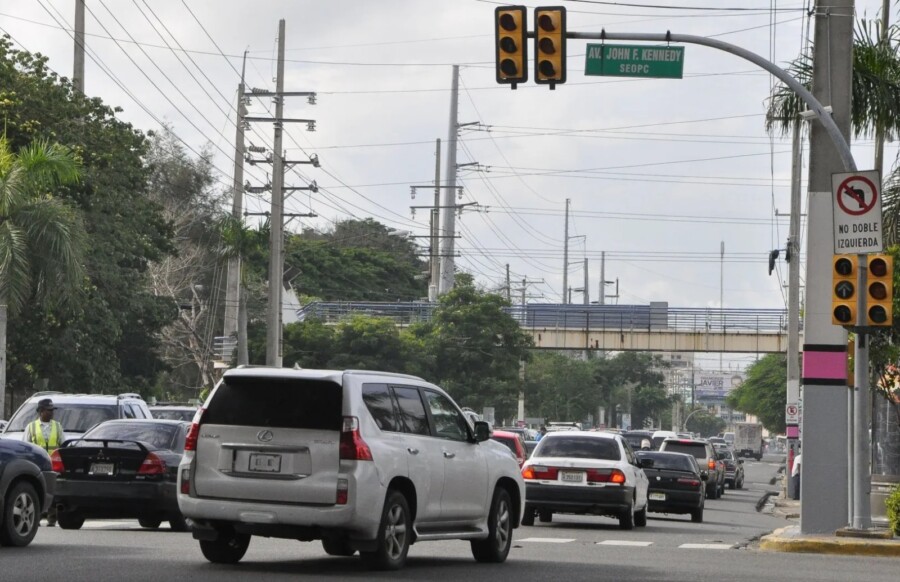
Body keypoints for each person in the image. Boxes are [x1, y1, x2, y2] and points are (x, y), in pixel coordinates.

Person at [24, 398, 66, 526]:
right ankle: (36, 518)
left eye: (52, 410)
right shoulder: (31, 427)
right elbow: (26, 446)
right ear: (41, 411)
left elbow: (62, 445)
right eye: (49, 410)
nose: (52, 413)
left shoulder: (57, 427)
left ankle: (52, 518)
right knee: (37, 491)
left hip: (52, 465)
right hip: (37, 465)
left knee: (52, 491)